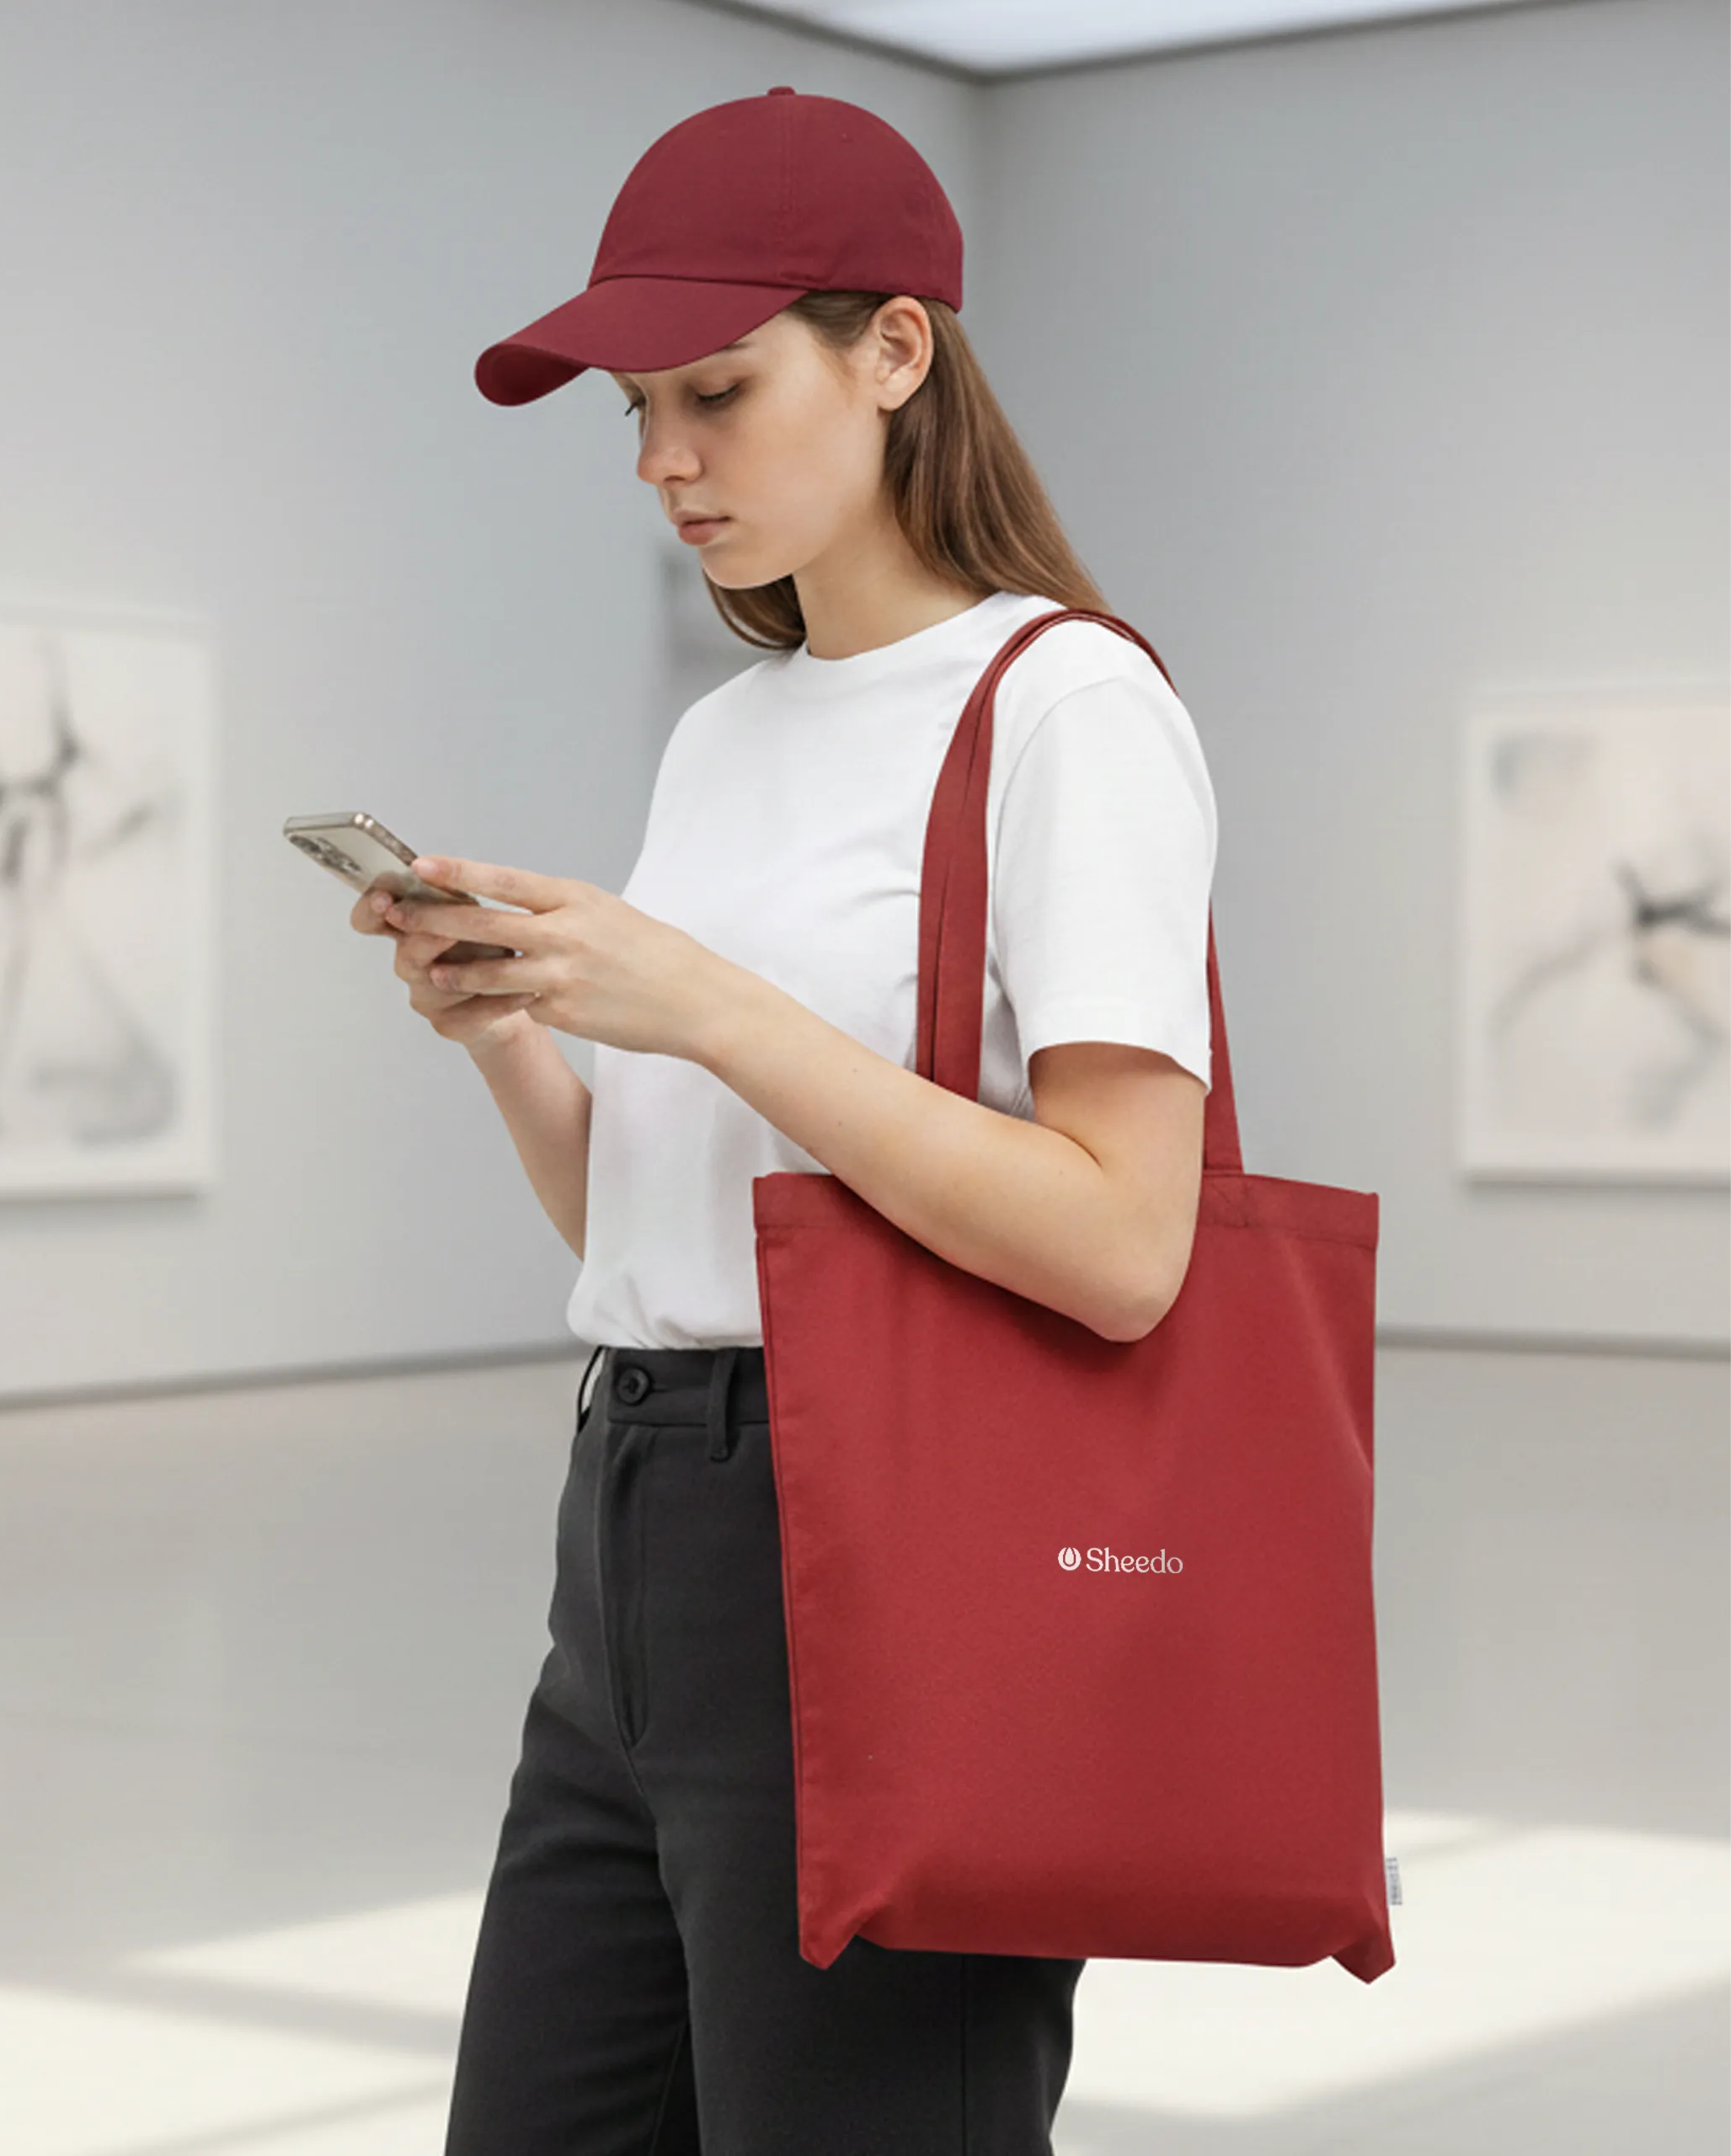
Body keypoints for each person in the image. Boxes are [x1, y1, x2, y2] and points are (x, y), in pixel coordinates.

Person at [350, 85, 1216, 2155]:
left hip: (894, 1539)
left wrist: (710, 1009)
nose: (662, 460)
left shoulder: (1068, 709)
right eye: (634, 408)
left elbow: (1124, 1241)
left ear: (895, 350)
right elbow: (650, 1226)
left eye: (715, 392)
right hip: (634, 1532)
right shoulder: (726, 735)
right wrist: (511, 1032)